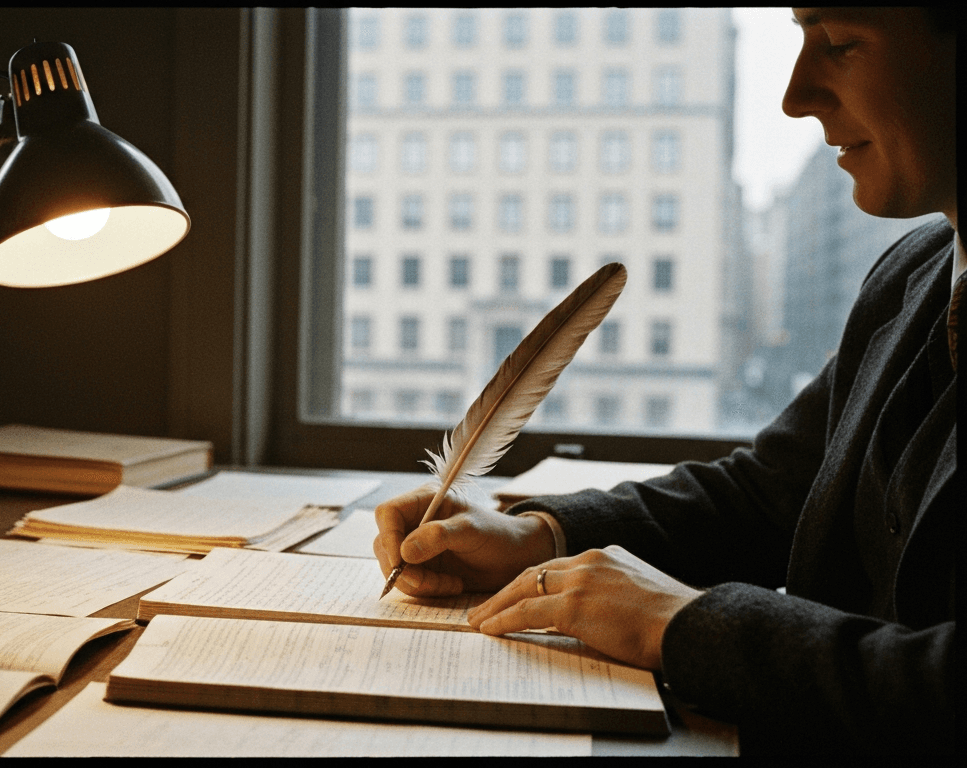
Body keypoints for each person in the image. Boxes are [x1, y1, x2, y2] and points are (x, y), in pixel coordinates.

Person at [373, 8, 957, 755]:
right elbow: (770, 493)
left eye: (839, 43)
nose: (795, 94)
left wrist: (684, 624)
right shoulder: (915, 275)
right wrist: (536, 534)